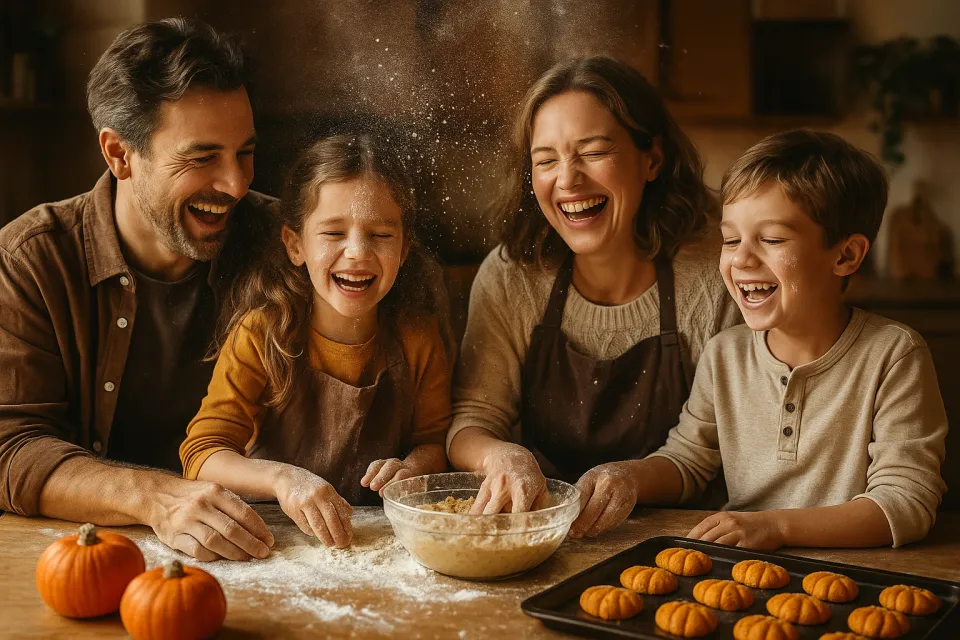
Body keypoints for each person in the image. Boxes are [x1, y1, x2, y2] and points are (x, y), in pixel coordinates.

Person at [0, 18, 278, 562]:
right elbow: (9, 449)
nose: (236, 184)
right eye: (202, 158)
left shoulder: (286, 244)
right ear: (119, 155)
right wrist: (156, 498)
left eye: (244, 152)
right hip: (91, 559)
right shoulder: (29, 260)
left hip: (269, 552)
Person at [446, 56, 741, 537]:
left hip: (686, 538)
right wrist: (500, 454)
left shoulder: (715, 272)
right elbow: (474, 419)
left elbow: (717, 447)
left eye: (593, 151)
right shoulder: (511, 275)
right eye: (545, 161)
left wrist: (631, 479)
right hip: (541, 534)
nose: (567, 179)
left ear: (652, 158)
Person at [642, 129, 948, 549]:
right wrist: (623, 477)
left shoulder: (894, 355)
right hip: (741, 575)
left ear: (846, 256)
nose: (741, 259)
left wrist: (776, 527)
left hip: (857, 577)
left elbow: (905, 503)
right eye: (731, 240)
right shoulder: (724, 355)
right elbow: (688, 462)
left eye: (771, 240)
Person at [180, 133, 453, 549]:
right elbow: (201, 455)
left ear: (404, 249)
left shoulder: (418, 337)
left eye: (380, 235)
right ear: (295, 245)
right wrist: (283, 478)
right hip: (272, 544)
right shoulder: (261, 334)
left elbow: (435, 442)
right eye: (333, 233)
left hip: (377, 543)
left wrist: (414, 468)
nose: (358, 252)